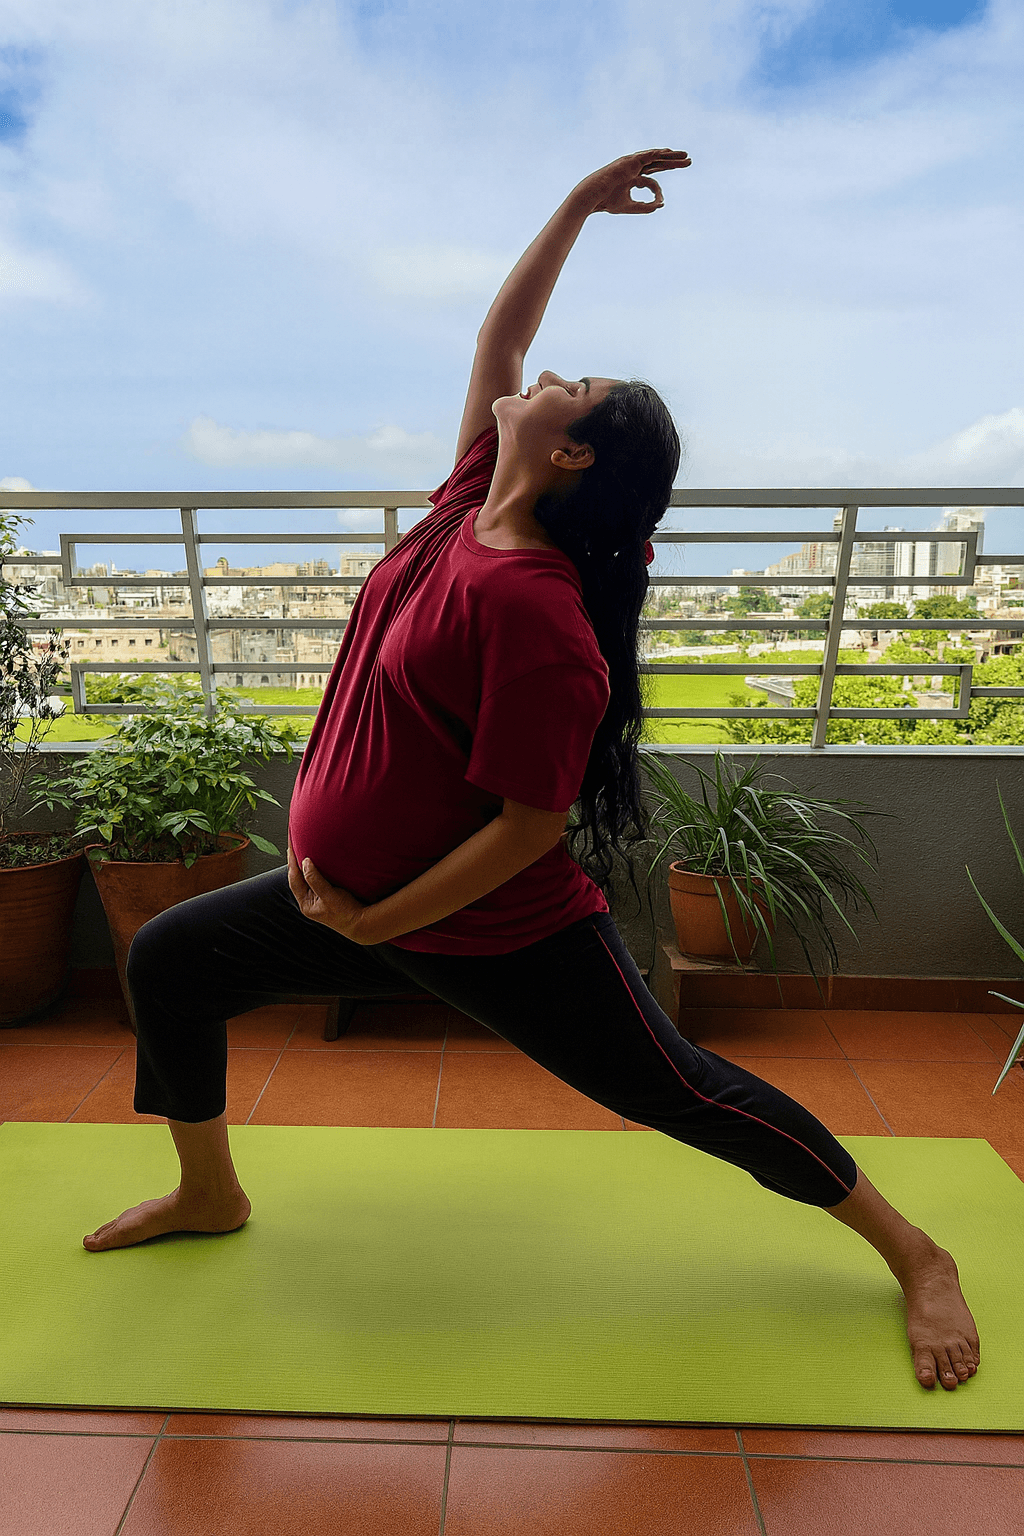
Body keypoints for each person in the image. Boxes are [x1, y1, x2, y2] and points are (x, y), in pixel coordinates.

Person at [83, 149, 979, 1394]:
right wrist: (574, 211)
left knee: (682, 1090)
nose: (546, 378)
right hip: (347, 904)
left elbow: (525, 829)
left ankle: (917, 1254)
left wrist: (372, 924)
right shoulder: (467, 503)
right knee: (168, 960)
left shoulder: (538, 614)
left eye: (577, 388)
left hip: (488, 927)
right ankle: (208, 1192)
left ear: (570, 458)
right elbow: (503, 343)